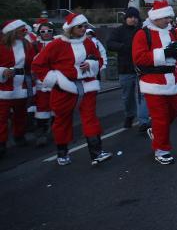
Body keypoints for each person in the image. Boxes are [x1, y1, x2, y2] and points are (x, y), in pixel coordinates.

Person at [32, 13, 112, 166]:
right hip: (64, 88)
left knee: (90, 118)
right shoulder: (56, 45)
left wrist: (91, 63)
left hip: (87, 86)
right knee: (62, 121)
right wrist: (54, 80)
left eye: (85, 26)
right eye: (80, 26)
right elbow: (38, 65)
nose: (83, 29)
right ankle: (62, 152)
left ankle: (97, 152)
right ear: (70, 29)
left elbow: (98, 59)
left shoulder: (88, 43)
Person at [132, 0, 177, 165]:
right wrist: (164, 53)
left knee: (173, 113)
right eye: (164, 18)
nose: (168, 21)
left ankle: (155, 131)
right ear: (155, 18)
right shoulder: (143, 34)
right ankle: (162, 150)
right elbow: (139, 58)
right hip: (153, 82)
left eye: (169, 18)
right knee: (161, 118)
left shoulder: (171, 32)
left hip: (173, 80)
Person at [107, 7, 150, 131]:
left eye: (135, 17)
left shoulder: (142, 30)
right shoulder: (119, 31)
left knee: (142, 95)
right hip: (125, 68)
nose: (133, 19)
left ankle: (143, 121)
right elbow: (110, 43)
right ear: (126, 18)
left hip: (141, 68)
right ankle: (130, 115)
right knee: (127, 95)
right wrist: (124, 47)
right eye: (131, 17)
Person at [0, 20, 37, 158]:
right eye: (23, 30)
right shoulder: (1, 45)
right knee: (1, 117)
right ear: (13, 31)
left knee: (20, 113)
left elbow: (33, 62)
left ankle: (19, 135)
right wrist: (2, 71)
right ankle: (1, 143)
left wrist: (34, 72)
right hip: (4, 86)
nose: (26, 32)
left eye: (25, 30)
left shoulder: (27, 45)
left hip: (22, 84)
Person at [31, 22, 55, 146]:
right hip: (41, 82)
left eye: (49, 31)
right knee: (42, 107)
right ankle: (42, 133)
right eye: (43, 32)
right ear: (39, 33)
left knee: (57, 107)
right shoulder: (34, 46)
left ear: (53, 32)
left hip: (58, 80)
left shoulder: (60, 44)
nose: (46, 34)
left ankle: (58, 131)